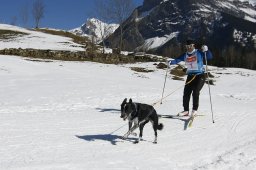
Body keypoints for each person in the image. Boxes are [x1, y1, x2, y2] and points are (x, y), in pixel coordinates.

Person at [168, 39, 213, 117]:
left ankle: (194, 110)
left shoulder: (199, 52)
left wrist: (207, 50)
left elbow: (209, 57)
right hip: (190, 76)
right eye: (187, 46)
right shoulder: (185, 55)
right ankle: (186, 111)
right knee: (186, 93)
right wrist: (170, 62)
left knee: (195, 91)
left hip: (200, 76)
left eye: (190, 46)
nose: (189, 47)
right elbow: (177, 60)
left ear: (193, 46)